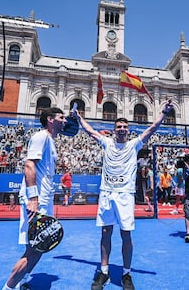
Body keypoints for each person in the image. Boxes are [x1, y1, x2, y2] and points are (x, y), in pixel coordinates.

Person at [73, 101, 173, 290]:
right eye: (118, 126)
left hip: (125, 196)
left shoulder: (134, 145)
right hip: (107, 193)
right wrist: (79, 118)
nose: (122, 129)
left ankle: (126, 273)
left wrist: (163, 113)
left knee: (126, 235)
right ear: (113, 130)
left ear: (129, 130)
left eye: (125, 127)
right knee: (105, 233)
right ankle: (104, 271)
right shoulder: (107, 143)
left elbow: (152, 128)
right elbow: (90, 131)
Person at [2, 107, 66, 290]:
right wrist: (33, 198)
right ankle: (8, 288)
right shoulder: (41, 137)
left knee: (39, 247)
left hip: (44, 198)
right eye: (61, 117)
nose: (65, 121)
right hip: (37, 200)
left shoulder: (51, 140)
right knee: (34, 249)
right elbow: (29, 165)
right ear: (50, 119)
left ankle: (21, 283)